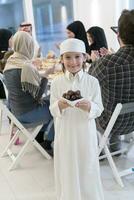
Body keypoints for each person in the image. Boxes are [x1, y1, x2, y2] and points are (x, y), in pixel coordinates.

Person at [50, 38, 104, 200]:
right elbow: (52, 109)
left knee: (87, 167)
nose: (73, 62)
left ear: (84, 57)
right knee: (67, 168)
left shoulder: (92, 82)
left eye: (77, 57)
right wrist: (60, 105)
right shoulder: (57, 83)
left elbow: (99, 108)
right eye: (68, 57)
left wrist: (90, 107)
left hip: (84, 134)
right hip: (64, 133)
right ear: (62, 59)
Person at [88, 9, 134, 152]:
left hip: (110, 123)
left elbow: (88, 84)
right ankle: (115, 148)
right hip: (132, 123)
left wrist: (95, 62)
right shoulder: (111, 62)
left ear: (118, 35)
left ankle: (98, 150)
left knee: (89, 106)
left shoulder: (107, 64)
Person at [3, 31, 54, 153]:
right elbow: (38, 96)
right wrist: (46, 76)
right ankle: (47, 143)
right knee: (57, 108)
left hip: (16, 111)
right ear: (27, 45)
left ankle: (39, 136)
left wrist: (39, 74)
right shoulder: (26, 67)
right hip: (27, 114)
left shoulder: (11, 61)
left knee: (52, 100)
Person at [0, 28, 13, 99]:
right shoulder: (7, 56)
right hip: (7, 94)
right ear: (5, 40)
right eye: (11, 38)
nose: (13, 40)